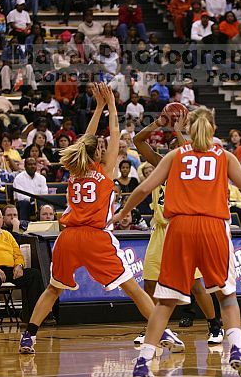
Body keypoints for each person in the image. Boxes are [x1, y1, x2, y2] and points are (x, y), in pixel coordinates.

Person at [112, 106, 241, 377]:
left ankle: (143, 361)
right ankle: (235, 350)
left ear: (188, 129)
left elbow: (142, 188)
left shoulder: (175, 156)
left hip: (179, 228)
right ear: (213, 130)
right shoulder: (225, 157)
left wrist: (120, 214)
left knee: (164, 303)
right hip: (212, 226)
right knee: (227, 296)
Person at [19, 83, 184, 355]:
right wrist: (111, 106)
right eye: (103, 147)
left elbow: (87, 139)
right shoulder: (105, 171)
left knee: (53, 289)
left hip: (68, 237)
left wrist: (97, 107)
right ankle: (162, 332)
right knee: (133, 289)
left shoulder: (74, 171)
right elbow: (116, 133)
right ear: (99, 154)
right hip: (95, 236)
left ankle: (29, 336)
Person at [132, 115, 224, 346]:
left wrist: (178, 130)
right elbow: (138, 140)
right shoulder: (161, 164)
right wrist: (157, 123)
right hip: (160, 232)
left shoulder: (191, 166)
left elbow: (187, 148)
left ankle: (215, 326)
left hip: (181, 227)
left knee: (195, 285)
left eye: (179, 145)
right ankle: (155, 328)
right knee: (150, 282)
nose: (177, 148)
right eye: (173, 146)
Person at [0, 207, 45, 322]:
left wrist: (19, 266)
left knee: (34, 275)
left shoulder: (8, 235)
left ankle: (34, 316)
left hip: (10, 270)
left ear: (2, 220)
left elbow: (18, 254)